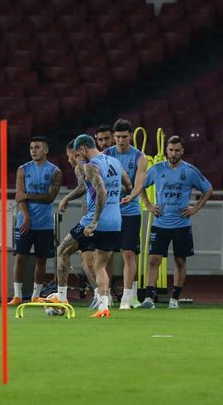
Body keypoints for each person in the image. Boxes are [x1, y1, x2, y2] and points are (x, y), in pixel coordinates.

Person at [54, 134, 128, 318]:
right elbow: (127, 185)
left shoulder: (91, 166)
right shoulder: (114, 162)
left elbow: (101, 190)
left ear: (82, 149)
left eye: (78, 153)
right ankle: (104, 307)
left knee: (62, 250)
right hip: (115, 222)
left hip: (94, 222)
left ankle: (62, 299)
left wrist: (94, 220)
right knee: (100, 265)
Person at [137, 135, 212, 309]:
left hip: (181, 224)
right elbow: (140, 186)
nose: (173, 153)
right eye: (170, 150)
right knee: (154, 260)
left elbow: (208, 189)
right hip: (160, 223)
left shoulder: (190, 171)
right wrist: (148, 205)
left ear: (182, 151)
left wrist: (195, 208)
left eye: (177, 150)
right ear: (166, 151)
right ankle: (148, 299)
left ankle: (174, 299)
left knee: (180, 261)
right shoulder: (156, 169)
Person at [9, 136, 62, 305]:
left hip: (45, 223)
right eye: (31, 147)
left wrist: (27, 195)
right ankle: (17, 296)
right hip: (25, 221)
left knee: (41, 260)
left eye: (37, 147)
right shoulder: (23, 169)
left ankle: (35, 296)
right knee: (20, 257)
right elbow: (19, 197)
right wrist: (26, 216)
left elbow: (50, 197)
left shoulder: (55, 171)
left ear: (45, 150)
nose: (33, 150)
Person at [104, 119, 148, 309]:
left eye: (124, 137)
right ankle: (104, 295)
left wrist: (132, 196)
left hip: (130, 211)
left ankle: (126, 298)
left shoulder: (140, 157)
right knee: (104, 254)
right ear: (114, 137)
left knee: (128, 253)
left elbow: (139, 182)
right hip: (109, 210)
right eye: (118, 137)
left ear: (130, 136)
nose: (121, 140)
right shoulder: (106, 155)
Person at [57, 140, 99, 306]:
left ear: (76, 153)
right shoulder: (103, 163)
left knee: (62, 250)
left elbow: (82, 187)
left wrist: (66, 197)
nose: (68, 160)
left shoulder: (82, 167)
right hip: (107, 219)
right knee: (89, 261)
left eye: (69, 156)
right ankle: (102, 297)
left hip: (91, 220)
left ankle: (61, 298)